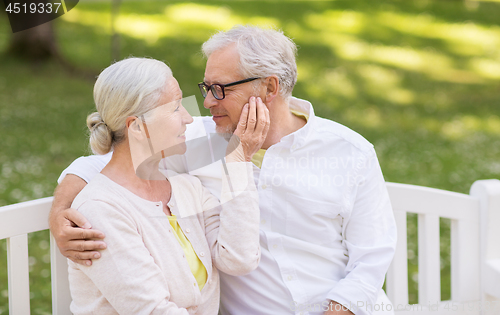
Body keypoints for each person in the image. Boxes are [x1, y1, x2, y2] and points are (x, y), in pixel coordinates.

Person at [50, 26, 397, 315]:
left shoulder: (350, 152)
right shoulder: (194, 136)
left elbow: (372, 260)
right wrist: (62, 212)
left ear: (270, 88)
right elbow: (113, 155)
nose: (206, 103)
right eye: (205, 87)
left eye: (219, 89)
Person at [61, 57, 269, 314]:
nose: (188, 119)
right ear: (136, 127)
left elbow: (239, 259)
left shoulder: (186, 189)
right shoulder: (100, 210)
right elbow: (152, 310)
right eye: (176, 108)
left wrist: (240, 160)